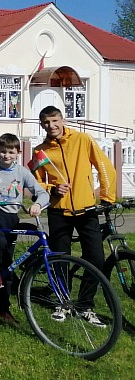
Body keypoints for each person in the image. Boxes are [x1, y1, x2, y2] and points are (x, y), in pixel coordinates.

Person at [33, 105, 116, 326]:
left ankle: (85, 305)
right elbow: (37, 182)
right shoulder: (40, 151)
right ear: (42, 125)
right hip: (58, 211)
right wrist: (52, 189)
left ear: (63, 120)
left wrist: (107, 197)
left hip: (86, 210)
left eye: (54, 121)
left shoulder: (83, 139)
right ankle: (63, 302)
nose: (51, 126)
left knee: (96, 258)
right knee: (61, 258)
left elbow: (105, 166)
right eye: (46, 123)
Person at [0, 134, 48, 323]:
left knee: (7, 266)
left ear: (18, 153)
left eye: (10, 152)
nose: (6, 155)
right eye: (2, 151)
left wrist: (38, 205)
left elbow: (42, 193)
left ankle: (3, 310)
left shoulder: (23, 172)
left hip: (10, 218)